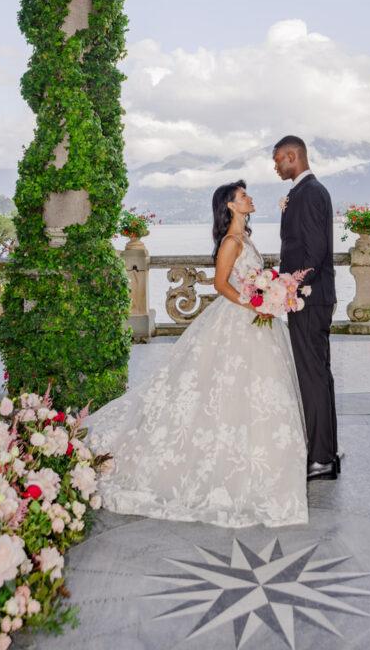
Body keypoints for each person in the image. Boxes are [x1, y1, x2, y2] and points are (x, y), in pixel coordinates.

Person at [88, 180, 307, 528]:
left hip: (256, 319)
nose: (249, 198)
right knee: (221, 388)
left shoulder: (246, 238)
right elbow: (221, 284)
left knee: (254, 390)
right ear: (231, 206)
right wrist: (254, 304)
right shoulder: (231, 242)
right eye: (243, 196)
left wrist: (269, 296)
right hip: (238, 317)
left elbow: (252, 279)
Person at [273, 136, 339, 481]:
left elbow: (314, 251)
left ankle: (320, 458)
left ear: (291, 156)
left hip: (309, 298)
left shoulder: (310, 193)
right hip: (313, 297)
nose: (275, 168)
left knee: (312, 376)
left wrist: (289, 286)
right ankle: (328, 453)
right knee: (319, 374)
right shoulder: (306, 192)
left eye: (277, 161)